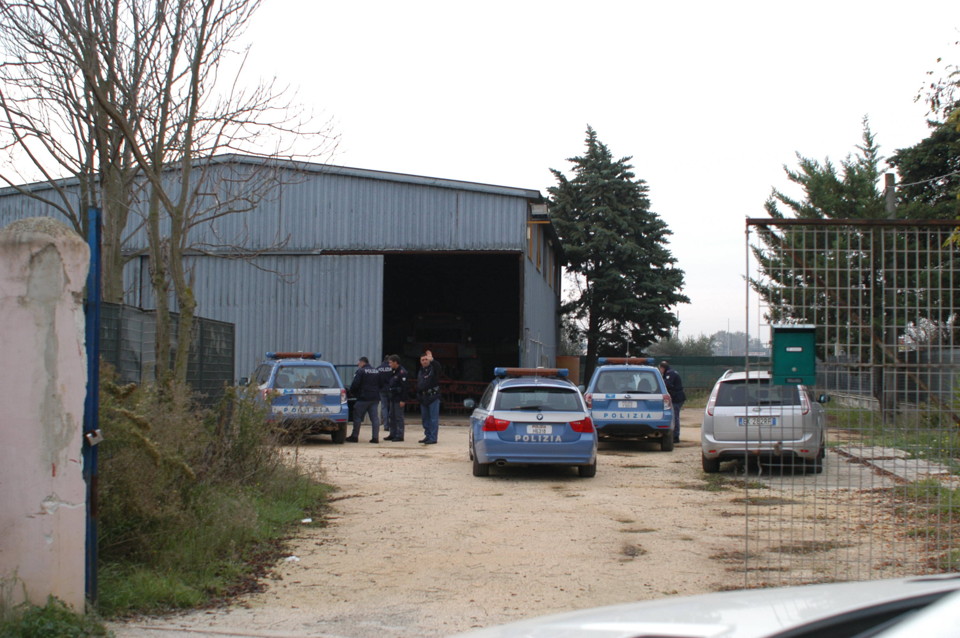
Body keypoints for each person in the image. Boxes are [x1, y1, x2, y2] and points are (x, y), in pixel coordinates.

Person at [347, 356, 382, 443]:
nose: (358, 364)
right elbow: (381, 384)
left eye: (358, 363)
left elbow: (355, 383)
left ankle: (354, 436)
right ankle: (375, 438)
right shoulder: (376, 371)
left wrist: (352, 393)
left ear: (363, 362)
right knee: (374, 418)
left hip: (363, 398)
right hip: (374, 398)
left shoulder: (361, 371)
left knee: (357, 416)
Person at [416, 352, 442, 444]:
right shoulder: (421, 371)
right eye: (422, 360)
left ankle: (433, 438)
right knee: (425, 419)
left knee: (433, 419)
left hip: (433, 397)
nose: (424, 361)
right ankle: (427, 435)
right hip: (423, 398)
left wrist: (433, 360)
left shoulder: (433, 369)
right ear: (420, 362)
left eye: (426, 359)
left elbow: (438, 367)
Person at [659, 360, 686, 443]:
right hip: (677, 397)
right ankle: (675, 435)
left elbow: (667, 384)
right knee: (674, 416)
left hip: (676, 398)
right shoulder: (671, 372)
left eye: (660, 369)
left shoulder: (670, 374)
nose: (660, 371)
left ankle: (675, 436)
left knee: (675, 417)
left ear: (663, 368)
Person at [384, 354, 409, 442]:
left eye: (390, 362)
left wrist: (403, 400)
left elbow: (404, 388)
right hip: (393, 398)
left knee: (399, 417)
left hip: (399, 399)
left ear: (395, 362)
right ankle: (392, 434)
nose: (389, 364)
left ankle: (399, 435)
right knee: (392, 416)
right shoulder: (394, 371)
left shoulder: (402, 372)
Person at [376, 355, 393, 438]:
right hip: (391, 389)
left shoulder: (379, 368)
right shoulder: (392, 368)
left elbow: (375, 379)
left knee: (384, 407)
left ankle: (386, 425)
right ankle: (392, 425)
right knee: (392, 406)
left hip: (382, 390)